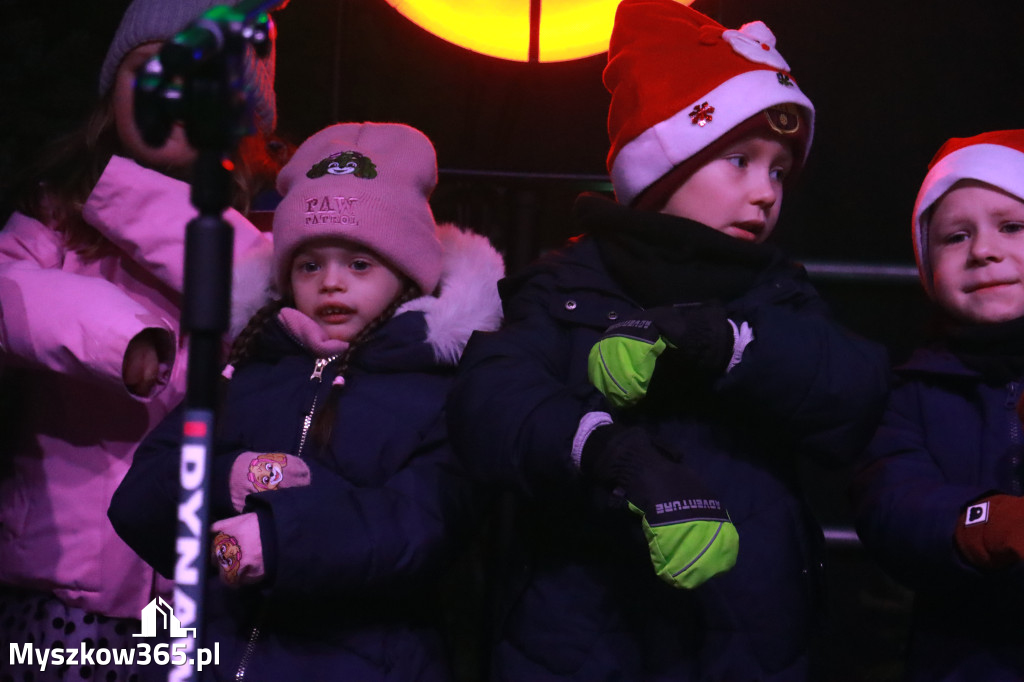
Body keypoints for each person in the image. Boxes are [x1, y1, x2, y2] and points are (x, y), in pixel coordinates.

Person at [446, 1, 890, 679]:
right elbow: (491, 398)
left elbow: (852, 390)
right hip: (580, 636)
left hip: (746, 639)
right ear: (660, 167)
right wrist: (612, 451)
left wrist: (730, 342)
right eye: (738, 160)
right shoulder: (565, 285)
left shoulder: (780, 292)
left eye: (778, 169)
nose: (766, 192)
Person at [108, 121, 505, 681]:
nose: (332, 283)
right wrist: (228, 478)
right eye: (309, 264)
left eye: (360, 263)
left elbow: (421, 526)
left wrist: (280, 535)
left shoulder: (441, 387)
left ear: (407, 274)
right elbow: (137, 499)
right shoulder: (246, 369)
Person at [0, 0, 281, 679]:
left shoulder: (267, 229)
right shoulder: (52, 216)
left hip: (198, 592)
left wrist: (109, 188)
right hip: (66, 589)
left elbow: (251, 287)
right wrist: (124, 336)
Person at [852, 129, 1024, 681]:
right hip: (965, 659)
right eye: (955, 237)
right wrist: (983, 522)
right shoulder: (908, 391)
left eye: (1012, 226)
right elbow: (891, 503)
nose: (984, 250)